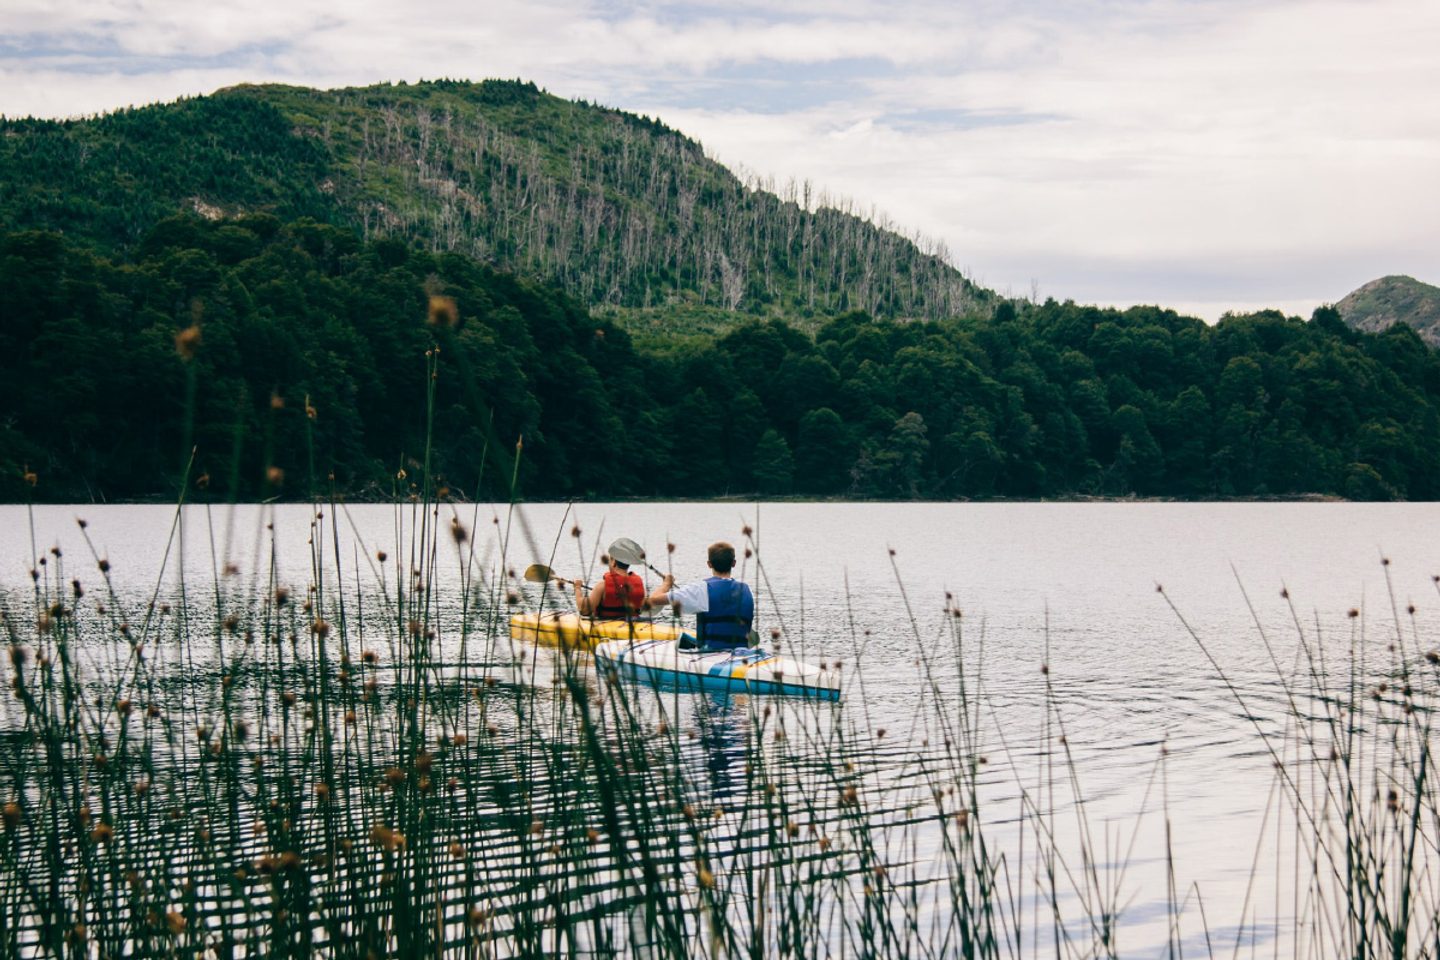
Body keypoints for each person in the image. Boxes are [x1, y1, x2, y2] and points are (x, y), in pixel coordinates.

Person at [647, 541, 755, 650]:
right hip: (742, 653)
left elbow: (653, 600)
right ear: (733, 563)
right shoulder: (746, 589)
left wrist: (666, 584)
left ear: (709, 564)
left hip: (711, 654)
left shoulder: (701, 589)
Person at [575, 538, 647, 620]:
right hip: (633, 626)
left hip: (606, 627)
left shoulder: (602, 586)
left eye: (610, 559)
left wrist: (577, 588)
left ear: (614, 562)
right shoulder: (639, 584)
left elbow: (584, 610)